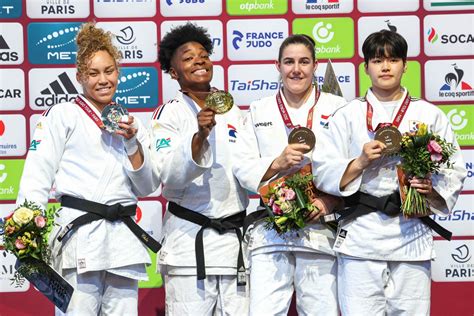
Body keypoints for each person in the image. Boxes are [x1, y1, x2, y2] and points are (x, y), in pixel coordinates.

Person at [312, 30, 467, 315]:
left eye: (393, 59)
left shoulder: (429, 114)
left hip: (411, 235)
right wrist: (358, 162)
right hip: (361, 236)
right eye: (377, 60)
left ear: (405, 65)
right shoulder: (347, 115)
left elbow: (454, 167)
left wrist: (431, 191)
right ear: (366, 67)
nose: (385, 67)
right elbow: (322, 170)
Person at [16, 22, 161, 315]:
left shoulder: (132, 123)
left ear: (118, 72)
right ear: (80, 77)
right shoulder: (63, 115)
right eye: (94, 73)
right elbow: (38, 171)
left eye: (109, 71)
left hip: (122, 239)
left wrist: (132, 143)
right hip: (80, 237)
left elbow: (148, 187)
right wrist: (26, 225)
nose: (103, 79)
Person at [233, 34, 347, 315]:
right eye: (289, 62)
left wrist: (328, 202)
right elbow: (242, 166)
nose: (296, 69)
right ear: (278, 66)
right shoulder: (260, 109)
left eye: (304, 62)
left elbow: (350, 165)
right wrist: (276, 164)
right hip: (270, 232)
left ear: (315, 65)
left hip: (320, 231)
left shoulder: (338, 108)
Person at [151, 23, 249, 315]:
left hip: (234, 245)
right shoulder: (168, 114)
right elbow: (168, 175)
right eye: (188, 57)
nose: (199, 60)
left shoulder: (233, 109)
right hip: (188, 247)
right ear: (173, 72)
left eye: (204, 54)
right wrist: (199, 137)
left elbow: (246, 167)